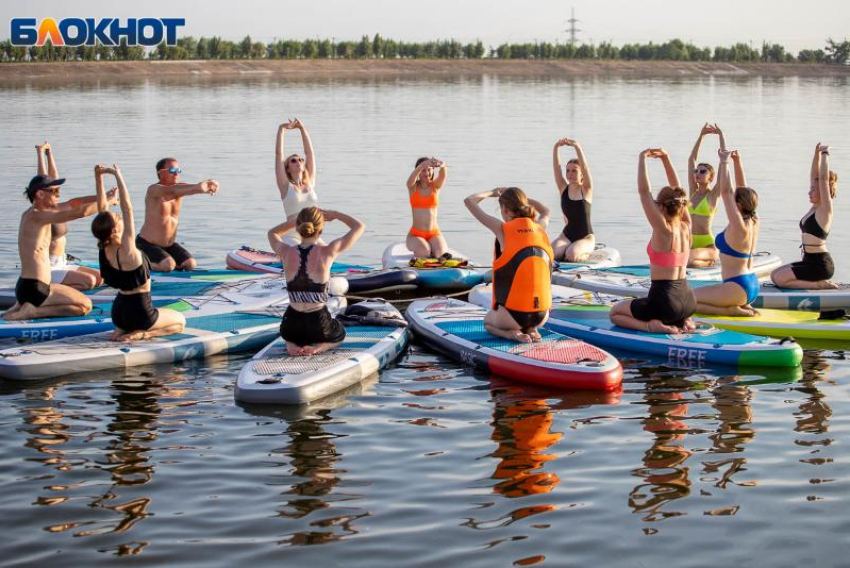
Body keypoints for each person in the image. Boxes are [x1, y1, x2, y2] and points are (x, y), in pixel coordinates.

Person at [3, 167, 113, 321]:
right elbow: (80, 212)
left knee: (77, 305)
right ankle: (32, 312)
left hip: (27, 286)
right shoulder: (38, 215)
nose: (58, 195)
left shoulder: (32, 214)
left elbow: (74, 204)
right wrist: (105, 199)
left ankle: (23, 307)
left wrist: (105, 196)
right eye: (54, 192)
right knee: (85, 305)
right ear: (40, 194)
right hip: (36, 288)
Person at [91, 165, 186, 341]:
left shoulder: (104, 247)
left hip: (118, 313)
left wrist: (99, 177)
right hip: (140, 313)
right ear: (113, 231)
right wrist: (118, 175)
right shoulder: (127, 246)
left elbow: (102, 209)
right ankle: (143, 333)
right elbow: (127, 209)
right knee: (180, 322)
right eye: (116, 219)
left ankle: (121, 330)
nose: (118, 216)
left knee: (132, 320)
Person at [610, 149, 696, 334]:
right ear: (681, 205)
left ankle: (651, 326)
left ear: (662, 206)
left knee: (615, 313)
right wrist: (666, 158)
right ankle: (685, 322)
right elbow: (677, 189)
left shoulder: (663, 229)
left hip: (664, 303)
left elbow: (643, 192)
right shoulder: (687, 225)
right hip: (688, 301)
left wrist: (642, 158)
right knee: (674, 311)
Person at [268, 206, 365, 356]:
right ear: (320, 229)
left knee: (290, 328)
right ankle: (321, 347)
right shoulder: (329, 251)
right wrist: (336, 214)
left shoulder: (286, 251)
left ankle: (290, 343)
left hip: (291, 325)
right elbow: (359, 226)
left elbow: (272, 233)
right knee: (340, 332)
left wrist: (295, 221)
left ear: (299, 227)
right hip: (318, 325)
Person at [464, 187, 553, 343]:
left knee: (487, 322)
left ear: (504, 209)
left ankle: (511, 333)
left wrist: (491, 192)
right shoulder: (540, 227)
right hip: (542, 315)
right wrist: (524, 199)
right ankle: (531, 329)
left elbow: (469, 201)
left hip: (513, 316)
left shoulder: (502, 229)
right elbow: (546, 211)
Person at [693, 150, 761, 316]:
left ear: (738, 205)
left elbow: (726, 192)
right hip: (750, 284)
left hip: (737, 287)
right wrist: (737, 161)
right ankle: (740, 305)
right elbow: (741, 189)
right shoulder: (754, 219)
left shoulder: (738, 225)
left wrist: (724, 162)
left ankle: (730, 310)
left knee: (685, 300)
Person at [35, 142, 103, 290]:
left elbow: (76, 201)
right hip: (48, 269)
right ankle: (53, 294)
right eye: (52, 192)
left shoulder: (58, 207)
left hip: (62, 263)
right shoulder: (41, 213)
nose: (56, 193)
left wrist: (49, 153)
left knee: (100, 278)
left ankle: (65, 286)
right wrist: (40, 153)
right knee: (89, 281)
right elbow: (42, 181)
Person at [770, 144, 838, 290]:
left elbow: (824, 179)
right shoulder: (813, 208)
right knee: (774, 275)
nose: (809, 192)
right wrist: (816, 153)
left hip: (821, 264)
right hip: (808, 260)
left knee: (781, 280)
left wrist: (825, 153)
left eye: (813, 190)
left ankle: (819, 285)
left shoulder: (825, 208)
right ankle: (815, 283)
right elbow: (815, 176)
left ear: (823, 191)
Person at [136, 157, 219, 272]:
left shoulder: (180, 189)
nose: (176, 174)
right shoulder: (153, 190)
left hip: (168, 245)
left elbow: (191, 188)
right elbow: (172, 191)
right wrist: (199, 187)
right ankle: (137, 264)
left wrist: (209, 184)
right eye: (172, 171)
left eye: (178, 171)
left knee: (191, 264)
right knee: (168, 265)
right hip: (146, 244)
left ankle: (169, 266)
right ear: (160, 173)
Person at [687, 123, 727, 268]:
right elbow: (691, 160)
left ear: (711, 177)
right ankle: (706, 262)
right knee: (685, 261)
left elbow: (723, 163)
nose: (698, 173)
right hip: (689, 242)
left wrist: (721, 136)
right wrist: (701, 136)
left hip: (707, 244)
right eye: (696, 171)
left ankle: (710, 259)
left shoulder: (713, 195)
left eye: (703, 172)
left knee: (688, 261)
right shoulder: (692, 192)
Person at [551, 137, 595, 262]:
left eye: (574, 171)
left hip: (586, 237)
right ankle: (569, 248)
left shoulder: (586, 189)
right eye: (568, 171)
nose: (570, 174)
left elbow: (585, 167)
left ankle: (586, 252)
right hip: (567, 235)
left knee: (571, 255)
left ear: (582, 175)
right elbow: (556, 168)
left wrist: (577, 147)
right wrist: (556, 147)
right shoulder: (563, 188)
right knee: (552, 253)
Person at [275, 118, 319, 222]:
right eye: (293, 161)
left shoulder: (309, 183)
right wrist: (281, 129)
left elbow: (309, 153)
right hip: (292, 234)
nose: (298, 161)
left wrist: (302, 128)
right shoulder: (285, 186)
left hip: (312, 232)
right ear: (288, 169)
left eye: (300, 160)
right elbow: (279, 155)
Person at [406, 157, 449, 258]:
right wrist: (422, 166)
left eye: (429, 170)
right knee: (424, 251)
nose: (427, 173)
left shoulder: (435, 186)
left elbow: (442, 175)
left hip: (433, 233)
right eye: (423, 170)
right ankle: (424, 251)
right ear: (418, 172)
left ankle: (434, 251)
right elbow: (409, 181)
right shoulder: (412, 187)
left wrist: (442, 165)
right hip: (415, 235)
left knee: (441, 254)